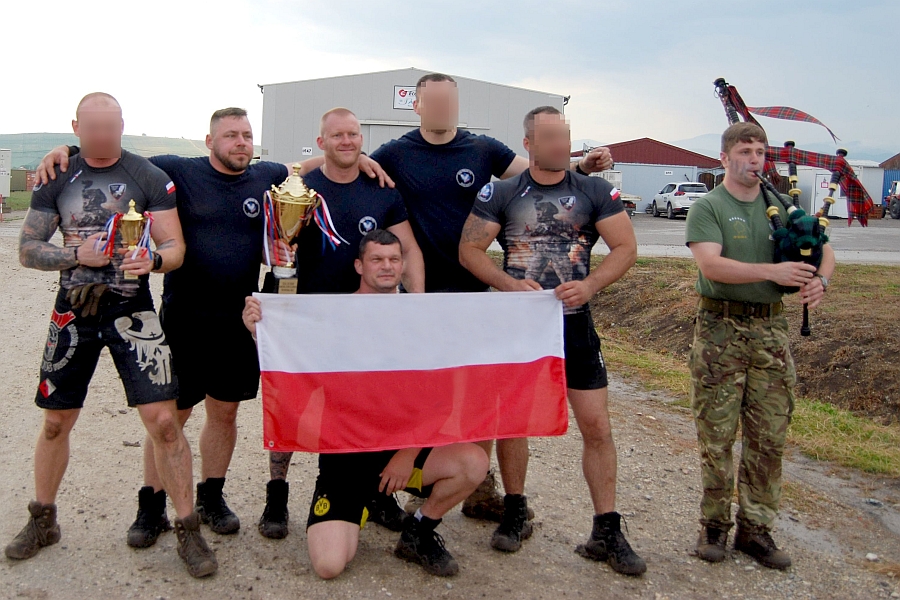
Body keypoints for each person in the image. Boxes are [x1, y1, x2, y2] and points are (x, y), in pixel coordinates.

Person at [34, 108, 393, 549]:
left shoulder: (269, 178)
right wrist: (68, 149)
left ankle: (212, 496)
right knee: (171, 418)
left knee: (225, 413)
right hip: (183, 316)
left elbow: (317, 165)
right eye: (230, 136)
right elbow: (113, 153)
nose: (240, 142)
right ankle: (152, 505)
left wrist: (364, 161)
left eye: (246, 135)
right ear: (209, 141)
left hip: (238, 319)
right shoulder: (179, 170)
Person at [365, 72, 616, 524]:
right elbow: (355, 166)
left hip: (478, 297)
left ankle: (480, 491)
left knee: (475, 397)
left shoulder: (484, 149)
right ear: (417, 105)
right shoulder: (396, 153)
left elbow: (537, 177)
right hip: (422, 294)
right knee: (422, 395)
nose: (443, 109)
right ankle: (410, 486)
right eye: (434, 101)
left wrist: (582, 169)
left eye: (450, 101)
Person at [5, 92, 217, 578]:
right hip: (73, 311)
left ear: (123, 124)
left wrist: (155, 261)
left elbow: (174, 245)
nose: (103, 137)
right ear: (76, 127)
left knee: (165, 423)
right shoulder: (57, 175)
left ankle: (186, 527)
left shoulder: (147, 176)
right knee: (56, 422)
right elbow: (28, 249)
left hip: (132, 310)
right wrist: (79, 256)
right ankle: (43, 520)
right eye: (93, 128)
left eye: (112, 127)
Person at [459, 106, 646, 576]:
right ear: (529, 144)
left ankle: (606, 527)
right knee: (513, 421)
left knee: (597, 426)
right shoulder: (504, 191)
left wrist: (591, 285)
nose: (562, 146)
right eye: (551, 138)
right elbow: (469, 249)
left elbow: (626, 248)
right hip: (518, 324)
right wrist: (506, 285)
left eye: (565, 137)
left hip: (574, 322)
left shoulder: (593, 189)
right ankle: (516, 509)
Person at [243, 229, 487, 578]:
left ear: (403, 264)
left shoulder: (421, 319)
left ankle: (418, 531)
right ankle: (366, 501)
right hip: (346, 457)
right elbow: (292, 365)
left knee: (473, 463)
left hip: (401, 451)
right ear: (359, 265)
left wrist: (405, 456)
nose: (386, 267)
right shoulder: (334, 316)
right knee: (328, 566)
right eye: (376, 259)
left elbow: (439, 401)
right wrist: (258, 332)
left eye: (393, 259)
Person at [257, 108, 425, 540]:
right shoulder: (299, 190)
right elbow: (275, 249)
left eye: (353, 134)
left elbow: (407, 247)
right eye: (337, 135)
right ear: (321, 141)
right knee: (296, 405)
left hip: (368, 321)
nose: (347, 141)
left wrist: (419, 306)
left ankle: (377, 494)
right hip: (308, 317)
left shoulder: (382, 188)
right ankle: (277, 494)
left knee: (375, 403)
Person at [685, 122, 834, 569]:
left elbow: (823, 246)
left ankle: (756, 529)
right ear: (725, 157)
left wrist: (820, 279)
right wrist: (773, 273)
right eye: (746, 151)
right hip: (720, 330)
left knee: (769, 435)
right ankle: (714, 526)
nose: (755, 160)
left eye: (761, 152)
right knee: (717, 434)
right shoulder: (709, 206)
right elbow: (712, 266)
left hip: (771, 333)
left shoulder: (783, 206)